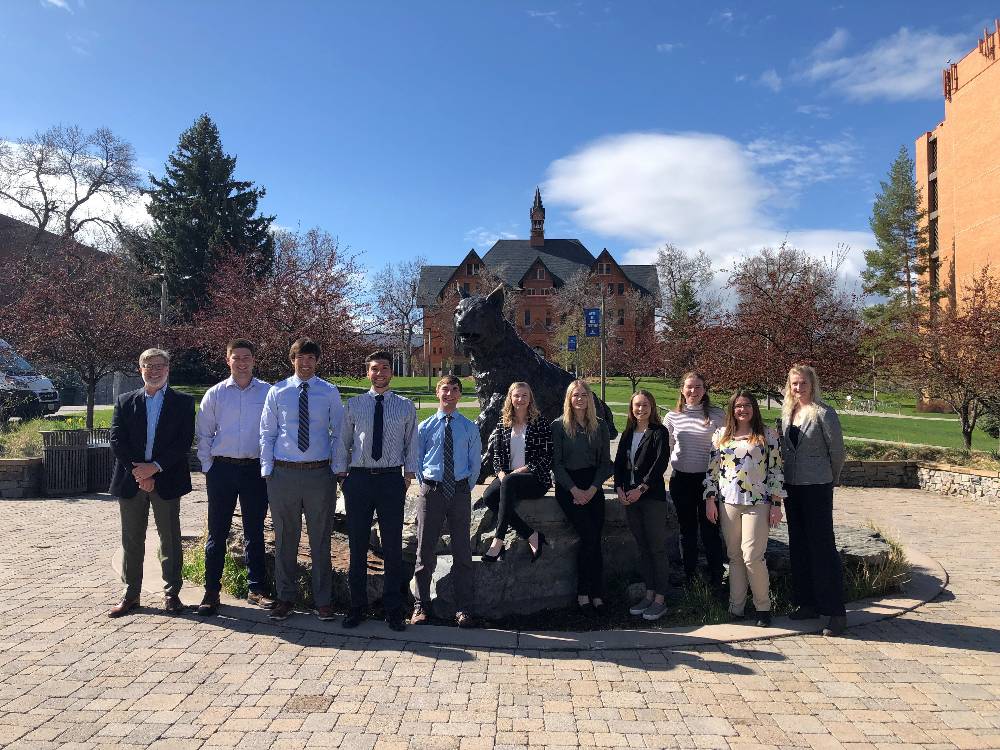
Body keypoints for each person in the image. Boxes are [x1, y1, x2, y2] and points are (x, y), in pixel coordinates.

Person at [260, 338, 344, 623]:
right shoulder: (278, 391)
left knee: (320, 539)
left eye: (310, 358)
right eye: (300, 358)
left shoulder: (329, 392)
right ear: (292, 360)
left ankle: (323, 601)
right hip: (283, 474)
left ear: (317, 361)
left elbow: (339, 432)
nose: (305, 363)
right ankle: (286, 598)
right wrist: (267, 470)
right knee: (285, 538)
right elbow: (267, 432)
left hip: (320, 474)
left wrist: (337, 468)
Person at [334, 351, 419, 632]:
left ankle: (393, 609)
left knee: (392, 546)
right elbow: (342, 441)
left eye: (385, 368)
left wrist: (407, 476)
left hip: (390, 481)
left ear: (391, 372)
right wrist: (342, 476)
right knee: (357, 544)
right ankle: (356, 607)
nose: (380, 372)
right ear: (367, 372)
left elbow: (412, 444)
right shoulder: (354, 405)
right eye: (374, 368)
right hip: (358, 480)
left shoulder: (405, 406)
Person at [107, 348, 195, 618]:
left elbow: (183, 442)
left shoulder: (182, 402)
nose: (154, 370)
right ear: (140, 368)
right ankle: (131, 594)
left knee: (170, 539)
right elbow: (117, 441)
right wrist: (140, 473)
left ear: (168, 369)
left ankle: (172, 594)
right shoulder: (125, 401)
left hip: (167, 479)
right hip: (131, 479)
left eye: (159, 365)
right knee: (131, 540)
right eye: (148, 365)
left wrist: (154, 469)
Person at [195, 339, 273, 616]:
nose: (242, 362)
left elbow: (273, 431)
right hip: (222, 470)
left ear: (254, 360)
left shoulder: (267, 393)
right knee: (217, 532)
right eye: (236, 357)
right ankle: (211, 591)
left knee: (255, 531)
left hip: (254, 471)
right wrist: (208, 467)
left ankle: (256, 588)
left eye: (247, 357)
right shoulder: (215, 394)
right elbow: (203, 434)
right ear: (227, 360)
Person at [704, 391, 785, 627]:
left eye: (747, 405)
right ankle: (736, 608)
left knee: (752, 557)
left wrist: (777, 504)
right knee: (734, 557)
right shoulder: (721, 435)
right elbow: (712, 471)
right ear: (732, 410)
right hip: (728, 502)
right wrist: (710, 500)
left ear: (754, 408)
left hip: (758, 503)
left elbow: (777, 471)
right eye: (738, 406)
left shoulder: (767, 435)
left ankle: (763, 607)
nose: (742, 410)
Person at [779, 364, 847, 637]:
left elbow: (838, 451)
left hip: (817, 485)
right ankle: (806, 602)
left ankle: (835, 612)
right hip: (792, 487)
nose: (798, 388)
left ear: (812, 384)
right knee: (798, 545)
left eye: (803, 384)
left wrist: (831, 478)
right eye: (794, 384)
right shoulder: (788, 412)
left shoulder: (823, 413)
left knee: (821, 547)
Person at [412, 376, 482, 627]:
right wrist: (429, 486)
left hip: (460, 491)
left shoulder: (468, 427)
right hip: (432, 491)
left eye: (454, 390)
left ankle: (463, 608)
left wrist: (463, 487)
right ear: (436, 393)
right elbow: (418, 462)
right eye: (445, 389)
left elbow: (475, 464)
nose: (449, 394)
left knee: (462, 551)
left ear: (460, 395)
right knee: (424, 550)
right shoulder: (426, 426)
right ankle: (421, 605)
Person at [551, 379, 612, 613]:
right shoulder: (558, 426)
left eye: (584, 395)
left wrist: (593, 489)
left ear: (590, 399)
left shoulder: (600, 426)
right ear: (569, 399)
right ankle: (583, 592)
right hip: (569, 487)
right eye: (575, 395)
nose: (579, 399)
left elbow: (605, 463)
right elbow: (556, 464)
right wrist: (575, 490)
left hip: (593, 486)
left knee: (595, 538)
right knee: (589, 536)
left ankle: (596, 592)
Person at [613, 389, 670, 621]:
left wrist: (641, 489)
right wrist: (619, 487)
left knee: (656, 548)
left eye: (645, 405)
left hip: (650, 498)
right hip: (630, 498)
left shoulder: (659, 432)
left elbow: (660, 464)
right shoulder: (628, 433)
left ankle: (660, 599)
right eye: (637, 405)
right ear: (631, 408)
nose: (641, 409)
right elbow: (618, 463)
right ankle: (648, 593)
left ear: (652, 407)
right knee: (643, 548)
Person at [665, 371, 725, 588]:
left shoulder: (718, 415)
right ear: (682, 389)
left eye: (698, 387)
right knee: (687, 530)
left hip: (709, 481)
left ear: (705, 390)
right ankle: (690, 577)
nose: (693, 391)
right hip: (681, 480)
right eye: (689, 387)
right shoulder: (672, 417)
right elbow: (667, 448)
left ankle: (716, 578)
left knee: (710, 530)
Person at [481, 382, 553, 563]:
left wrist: (522, 469)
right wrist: (502, 475)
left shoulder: (540, 422)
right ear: (510, 398)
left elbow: (547, 455)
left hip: (535, 478)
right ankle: (531, 534)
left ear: (530, 399)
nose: (520, 399)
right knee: (489, 496)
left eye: (524, 396)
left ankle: (498, 540)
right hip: (510, 478)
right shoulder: (503, 423)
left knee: (509, 483)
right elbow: (496, 457)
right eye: (516, 396)